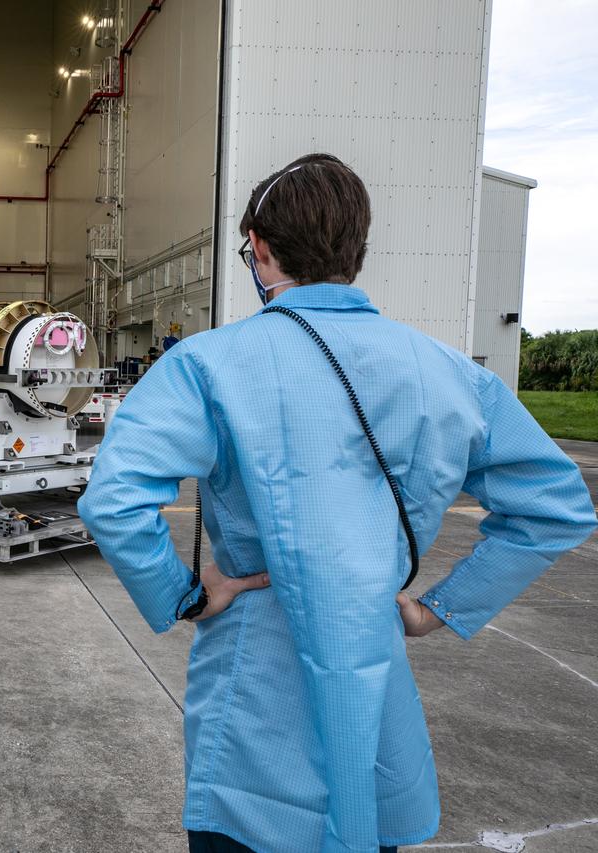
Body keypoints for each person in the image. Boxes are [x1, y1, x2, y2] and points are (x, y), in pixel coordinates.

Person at [80, 153, 596, 853]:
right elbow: (557, 505)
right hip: (375, 669)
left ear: (260, 251)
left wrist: (184, 595)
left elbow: (113, 498)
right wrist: (439, 606)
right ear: (356, 250)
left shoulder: (207, 364)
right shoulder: (447, 373)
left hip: (255, 683)